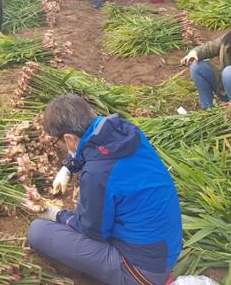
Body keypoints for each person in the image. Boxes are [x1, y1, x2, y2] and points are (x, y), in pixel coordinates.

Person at [27, 94, 182, 285]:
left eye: (57, 142)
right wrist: (69, 167)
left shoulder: (97, 174)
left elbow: (93, 231)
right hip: (166, 248)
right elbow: (96, 149)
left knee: (38, 231)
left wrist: (58, 214)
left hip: (141, 272)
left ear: (68, 138)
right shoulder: (128, 132)